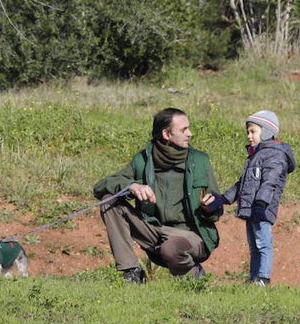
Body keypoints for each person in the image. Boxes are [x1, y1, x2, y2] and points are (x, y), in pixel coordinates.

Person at [91, 108, 222, 283]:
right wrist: (132, 186)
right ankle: (131, 273)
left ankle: (194, 276)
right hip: (153, 230)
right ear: (166, 134)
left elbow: (217, 209)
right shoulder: (142, 160)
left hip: (190, 235)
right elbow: (100, 187)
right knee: (109, 200)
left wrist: (210, 206)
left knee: (171, 248)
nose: (190, 134)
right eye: (184, 130)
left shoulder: (200, 160)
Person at [202, 111, 296, 286]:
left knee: (263, 244)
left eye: (253, 131)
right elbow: (243, 184)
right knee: (254, 247)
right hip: (251, 208)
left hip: (262, 208)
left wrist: (261, 203)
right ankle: (253, 278)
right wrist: (223, 199)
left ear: (266, 132)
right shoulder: (256, 155)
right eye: (248, 132)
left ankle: (263, 278)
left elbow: (270, 182)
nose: (249, 136)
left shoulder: (275, 155)